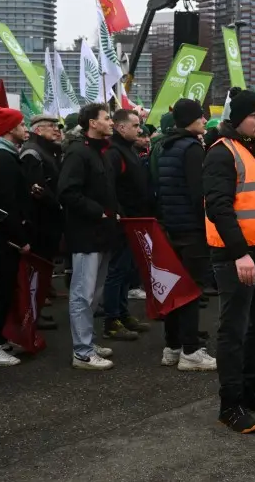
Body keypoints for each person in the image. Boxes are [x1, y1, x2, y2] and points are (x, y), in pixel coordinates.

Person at [203, 91, 255, 434]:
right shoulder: (222, 153)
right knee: (234, 331)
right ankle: (230, 405)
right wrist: (240, 253)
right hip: (237, 258)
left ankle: (252, 391)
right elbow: (219, 208)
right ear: (238, 118)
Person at [153, 99, 217, 370]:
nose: (204, 120)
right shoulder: (191, 148)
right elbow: (197, 193)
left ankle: (173, 346)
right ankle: (190, 350)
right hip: (192, 230)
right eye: (200, 116)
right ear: (190, 119)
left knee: (174, 290)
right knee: (191, 291)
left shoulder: (165, 146)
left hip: (171, 228)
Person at [58, 103, 119, 370]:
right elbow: (67, 192)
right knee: (82, 294)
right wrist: (98, 212)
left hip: (102, 234)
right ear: (92, 123)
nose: (111, 122)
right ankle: (82, 352)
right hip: (86, 235)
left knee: (94, 293)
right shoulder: (78, 153)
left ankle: (88, 342)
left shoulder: (99, 151)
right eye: (106, 118)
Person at [0, 105, 32, 368]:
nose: (26, 129)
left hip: (2, 237)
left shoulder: (3, 155)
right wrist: (20, 238)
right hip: (1, 240)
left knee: (3, 290)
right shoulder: (1, 159)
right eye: (21, 125)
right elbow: (6, 204)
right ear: (10, 130)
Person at [101, 109, 152, 342]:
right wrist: (120, 214)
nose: (139, 130)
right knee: (117, 271)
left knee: (127, 270)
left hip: (135, 220)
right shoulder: (114, 152)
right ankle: (112, 320)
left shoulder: (127, 149)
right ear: (121, 127)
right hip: (124, 221)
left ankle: (123, 313)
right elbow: (110, 188)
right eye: (135, 125)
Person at [20, 114, 64, 323]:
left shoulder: (47, 150)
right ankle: (32, 315)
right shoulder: (32, 152)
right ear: (38, 130)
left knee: (44, 266)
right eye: (51, 126)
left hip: (49, 218)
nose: (56, 130)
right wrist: (57, 203)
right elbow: (35, 189)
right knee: (37, 268)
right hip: (40, 220)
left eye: (57, 126)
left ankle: (37, 308)